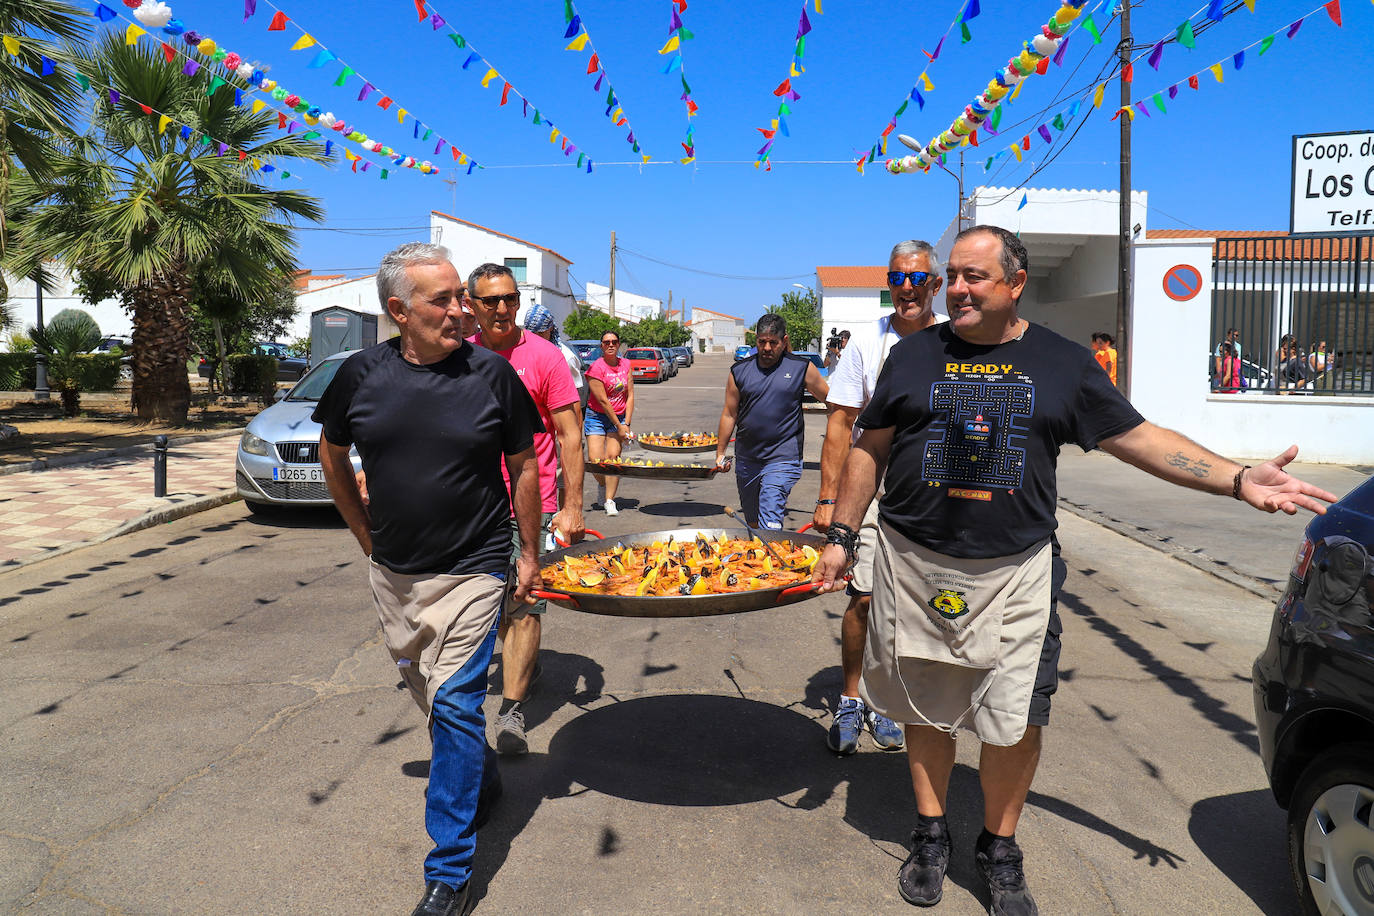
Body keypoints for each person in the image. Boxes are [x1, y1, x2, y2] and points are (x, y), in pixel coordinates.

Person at [813, 225, 1336, 916]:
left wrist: (1236, 478)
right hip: (913, 564)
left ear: (1015, 282)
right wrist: (844, 532)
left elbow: (1141, 437)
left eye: (977, 276)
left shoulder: (1061, 363)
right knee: (925, 709)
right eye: (955, 276)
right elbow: (868, 447)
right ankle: (931, 831)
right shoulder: (911, 358)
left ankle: (998, 847)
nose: (960, 289)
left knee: (1019, 718)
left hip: (1016, 574)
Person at [314, 242, 545, 916]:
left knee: (453, 704)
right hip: (396, 577)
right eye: (442, 300)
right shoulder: (359, 375)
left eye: (460, 296)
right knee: (436, 704)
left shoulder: (492, 377)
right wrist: (364, 535)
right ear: (398, 311)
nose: (462, 310)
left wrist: (527, 552)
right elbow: (332, 453)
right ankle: (483, 775)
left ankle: (448, 870)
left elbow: (525, 464)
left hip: (475, 569)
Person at [814, 239, 946, 757]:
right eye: (896, 279)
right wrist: (828, 498)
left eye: (916, 279)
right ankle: (852, 696)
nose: (906, 288)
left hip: (934, 491)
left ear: (934, 284)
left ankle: (888, 699)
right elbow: (840, 424)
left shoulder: (955, 339)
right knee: (865, 597)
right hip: (873, 483)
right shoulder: (868, 343)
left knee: (917, 607)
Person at [466, 265, 586, 757]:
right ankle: (512, 673)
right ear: (470, 304)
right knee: (477, 604)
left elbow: (570, 434)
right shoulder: (459, 356)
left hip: (528, 503)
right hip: (469, 502)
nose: (501, 309)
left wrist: (573, 505)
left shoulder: (544, 357)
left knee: (524, 599)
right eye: (490, 300)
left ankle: (511, 707)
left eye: (510, 299)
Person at [714, 314, 828, 529]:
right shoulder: (739, 371)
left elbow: (833, 402)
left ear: (784, 341)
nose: (766, 348)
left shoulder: (800, 368)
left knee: (770, 520)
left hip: (783, 457)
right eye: (761, 342)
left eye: (773, 342)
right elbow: (730, 413)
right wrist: (720, 453)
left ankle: (773, 554)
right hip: (748, 458)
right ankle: (761, 560)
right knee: (753, 523)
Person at [584, 331, 635, 516]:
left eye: (614, 342)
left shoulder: (626, 364)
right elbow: (604, 402)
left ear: (619, 344)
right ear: (602, 346)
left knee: (613, 457)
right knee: (596, 461)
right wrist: (620, 426)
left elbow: (630, 395)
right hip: (596, 416)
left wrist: (626, 423)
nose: (610, 345)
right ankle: (603, 484)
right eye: (606, 342)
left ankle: (609, 500)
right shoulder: (596, 368)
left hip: (620, 416)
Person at [524, 303, 587, 415]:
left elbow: (575, 405)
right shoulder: (523, 353)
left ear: (551, 328)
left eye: (541, 333)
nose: (537, 338)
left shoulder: (565, 358)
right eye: (533, 333)